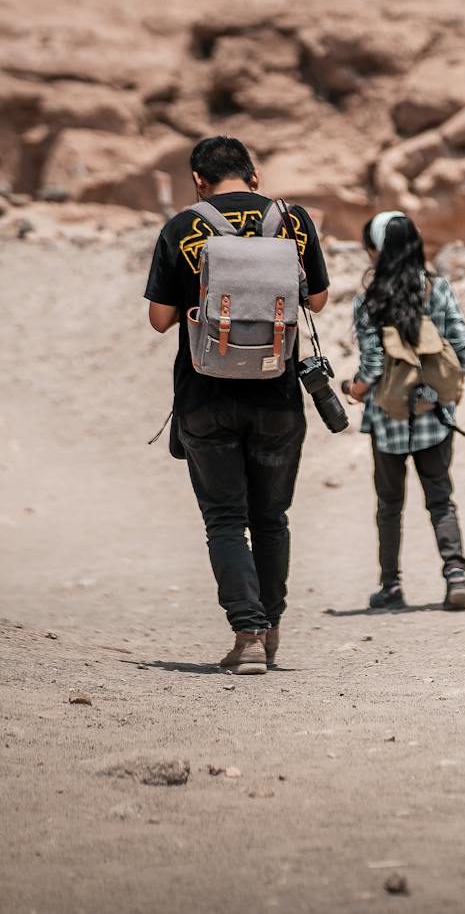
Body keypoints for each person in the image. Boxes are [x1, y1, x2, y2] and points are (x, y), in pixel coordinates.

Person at [144, 135, 330, 675]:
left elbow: (159, 320)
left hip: (205, 396)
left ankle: (246, 635)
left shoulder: (182, 227)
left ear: (198, 180)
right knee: (271, 518)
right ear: (254, 174)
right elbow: (317, 300)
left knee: (225, 519)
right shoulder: (291, 220)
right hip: (277, 393)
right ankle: (270, 630)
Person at [343, 211, 465, 611]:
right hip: (435, 416)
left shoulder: (369, 301)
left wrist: (352, 389)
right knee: (441, 498)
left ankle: (391, 585)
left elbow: (371, 366)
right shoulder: (437, 289)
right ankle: (455, 574)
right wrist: (446, 391)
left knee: (389, 505)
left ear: (377, 251)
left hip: (388, 420)